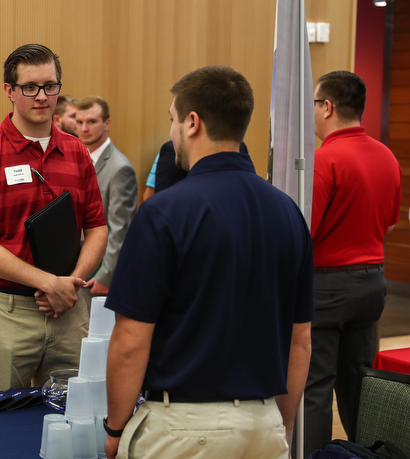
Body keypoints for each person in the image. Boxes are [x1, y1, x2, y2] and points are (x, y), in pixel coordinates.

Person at [103, 65, 313, 459]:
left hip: (183, 428)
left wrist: (115, 427)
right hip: (264, 424)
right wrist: (280, 425)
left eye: (173, 120)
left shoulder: (162, 213)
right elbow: (300, 339)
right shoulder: (288, 213)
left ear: (192, 122)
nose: (172, 132)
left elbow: (131, 340)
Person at [0, 43, 107, 392]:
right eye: (30, 87)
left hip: (70, 308)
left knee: (74, 417)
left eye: (50, 86)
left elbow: (97, 227)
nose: (42, 96)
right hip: (6, 313)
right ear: (9, 91)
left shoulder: (77, 152)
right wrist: (46, 282)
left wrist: (70, 283)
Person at [302, 71, 402, 457]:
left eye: (314, 103)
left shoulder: (324, 159)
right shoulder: (387, 156)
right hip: (373, 284)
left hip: (326, 288)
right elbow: (390, 222)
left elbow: (304, 231)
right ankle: (365, 453)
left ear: (326, 107)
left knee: (316, 388)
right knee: (360, 385)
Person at [75, 96, 138, 295]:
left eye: (91, 122)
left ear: (106, 123)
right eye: (79, 122)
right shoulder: (77, 159)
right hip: (77, 265)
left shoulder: (120, 168)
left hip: (101, 271)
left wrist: (106, 276)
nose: (84, 128)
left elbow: (120, 229)